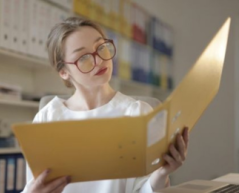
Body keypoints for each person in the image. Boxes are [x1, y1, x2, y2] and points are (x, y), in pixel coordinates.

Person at [22, 17, 189, 193]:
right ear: (64, 72)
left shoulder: (138, 113)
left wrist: (162, 173)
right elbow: (33, 187)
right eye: (83, 57)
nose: (99, 60)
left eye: (101, 47)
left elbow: (143, 190)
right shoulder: (47, 118)